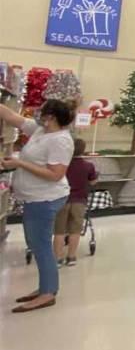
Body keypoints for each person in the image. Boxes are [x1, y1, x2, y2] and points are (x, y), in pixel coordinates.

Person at [0, 99, 74, 313]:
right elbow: (12, 117)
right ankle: (45, 287)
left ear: (51, 117)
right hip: (35, 197)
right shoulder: (41, 131)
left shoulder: (60, 141)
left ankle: (48, 292)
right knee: (37, 243)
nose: (38, 114)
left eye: (43, 112)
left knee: (40, 246)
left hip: (45, 198)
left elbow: (55, 174)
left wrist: (19, 163)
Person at [53, 138, 97, 267]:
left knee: (59, 231)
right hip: (80, 201)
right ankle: (71, 257)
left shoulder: (61, 166)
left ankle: (57, 259)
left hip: (62, 199)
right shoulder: (88, 166)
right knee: (75, 230)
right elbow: (93, 181)